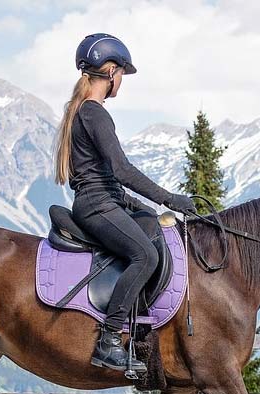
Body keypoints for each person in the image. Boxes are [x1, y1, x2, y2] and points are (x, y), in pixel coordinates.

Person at [53, 33, 197, 371]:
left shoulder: (84, 111)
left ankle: (143, 335)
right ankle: (110, 337)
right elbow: (121, 170)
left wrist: (145, 209)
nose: (121, 82)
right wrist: (169, 199)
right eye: (121, 75)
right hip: (96, 205)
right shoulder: (95, 113)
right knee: (144, 254)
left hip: (107, 200)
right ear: (111, 71)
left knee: (153, 230)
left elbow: (110, 176)